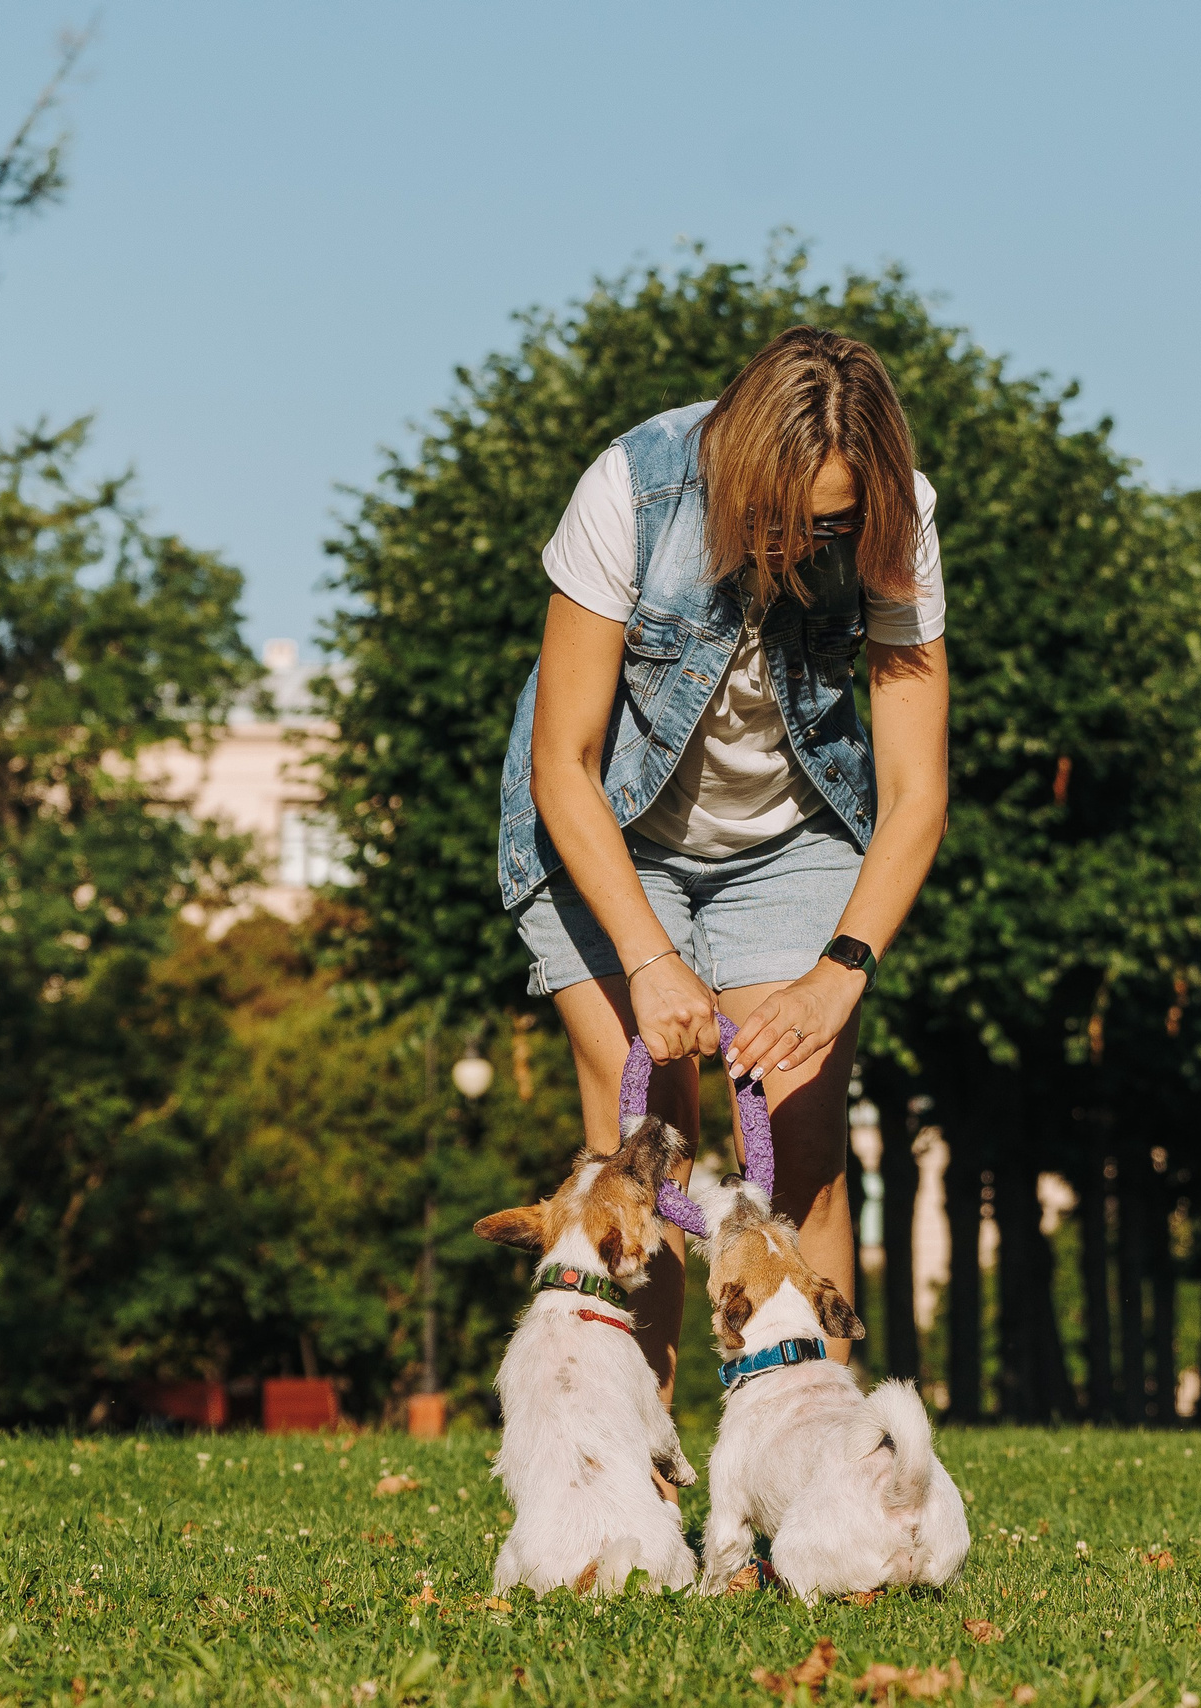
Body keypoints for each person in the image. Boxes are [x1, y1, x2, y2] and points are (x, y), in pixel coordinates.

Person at [498, 325, 950, 1400]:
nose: (800, 549)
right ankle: (644, 1471)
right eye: (775, 521)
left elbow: (915, 791)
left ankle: (820, 1465)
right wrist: (649, 958)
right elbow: (563, 764)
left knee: (802, 1151)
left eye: (829, 527)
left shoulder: (899, 516)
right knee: (648, 1159)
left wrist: (840, 970)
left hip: (789, 839)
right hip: (611, 832)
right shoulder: (631, 489)